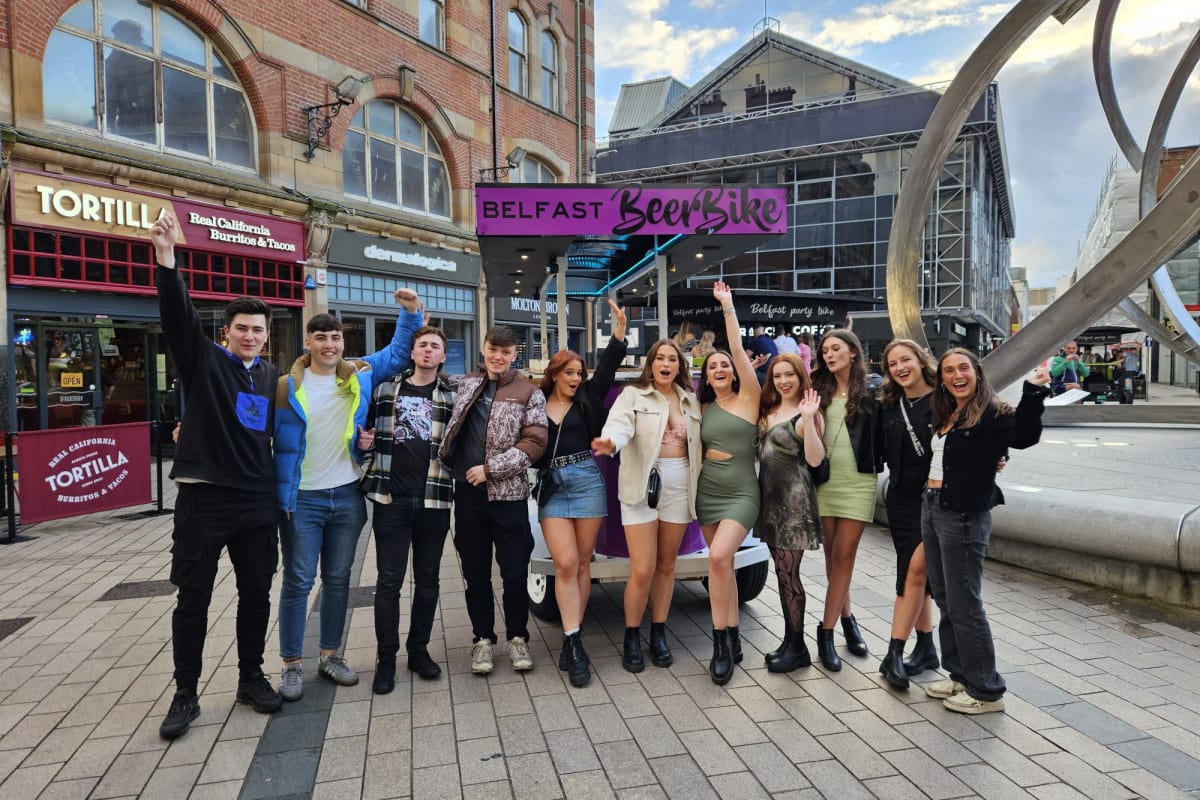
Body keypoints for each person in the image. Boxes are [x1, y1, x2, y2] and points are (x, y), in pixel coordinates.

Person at [151, 210, 282, 740]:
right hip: (204, 501)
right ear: (225, 332)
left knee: (257, 594)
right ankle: (186, 691)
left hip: (256, 502)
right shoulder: (203, 359)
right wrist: (167, 260)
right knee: (194, 597)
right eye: (242, 329)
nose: (250, 336)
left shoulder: (272, 375)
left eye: (258, 330)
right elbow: (178, 316)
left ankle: (250, 677)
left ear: (267, 338)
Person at [272, 292, 422, 701]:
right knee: (299, 582)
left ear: (342, 342)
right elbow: (247, 427)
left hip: (346, 495)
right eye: (321, 338)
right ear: (309, 343)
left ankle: (329, 655)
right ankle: (289, 664)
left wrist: (410, 313)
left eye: (335, 338)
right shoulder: (285, 387)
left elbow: (398, 352)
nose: (329, 345)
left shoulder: (358, 373)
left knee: (337, 581)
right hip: (302, 498)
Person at [924, 350, 1051, 714]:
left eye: (963, 368)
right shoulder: (948, 412)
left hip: (963, 513)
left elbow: (1024, 436)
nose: (956, 375)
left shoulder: (994, 412)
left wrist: (1032, 392)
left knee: (965, 602)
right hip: (932, 505)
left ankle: (986, 690)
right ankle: (961, 674)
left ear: (977, 373)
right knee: (946, 597)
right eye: (948, 370)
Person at [440, 326, 547, 675]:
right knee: (475, 574)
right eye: (492, 349)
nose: (498, 356)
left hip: (509, 496)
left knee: (514, 573)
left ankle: (518, 638)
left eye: (505, 351)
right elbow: (428, 375)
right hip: (468, 496)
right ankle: (482, 641)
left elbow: (534, 443)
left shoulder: (529, 392)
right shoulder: (467, 383)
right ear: (483, 349)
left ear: (514, 353)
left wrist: (491, 470)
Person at [592, 339, 701, 674]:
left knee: (667, 565)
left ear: (679, 366)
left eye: (672, 359)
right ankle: (630, 635)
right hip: (641, 485)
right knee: (642, 568)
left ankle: (658, 632)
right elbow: (619, 426)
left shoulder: (690, 400)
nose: (666, 363)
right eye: (660, 358)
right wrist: (611, 442)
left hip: (680, 484)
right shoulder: (632, 396)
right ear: (651, 364)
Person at [358, 325, 457, 692]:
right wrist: (363, 442)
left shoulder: (452, 395)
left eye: (435, 346)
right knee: (388, 583)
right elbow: (360, 430)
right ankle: (386, 661)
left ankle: (419, 651)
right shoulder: (385, 390)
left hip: (435, 499)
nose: (428, 351)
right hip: (391, 499)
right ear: (412, 353)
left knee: (428, 580)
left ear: (443, 356)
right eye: (422, 346)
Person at [536, 299, 627, 688]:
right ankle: (573, 637)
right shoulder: (535, 403)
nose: (576, 378)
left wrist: (619, 330)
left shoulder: (588, 398)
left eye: (579, 373)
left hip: (588, 479)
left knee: (584, 563)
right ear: (554, 374)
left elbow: (607, 368)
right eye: (569, 372)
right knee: (566, 563)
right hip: (553, 487)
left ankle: (573, 640)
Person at [693, 283, 762, 684]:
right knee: (724, 567)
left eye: (725, 365)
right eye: (712, 367)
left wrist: (728, 307)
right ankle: (734, 639)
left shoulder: (749, 396)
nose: (720, 369)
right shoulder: (702, 406)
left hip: (741, 493)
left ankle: (719, 642)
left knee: (718, 559)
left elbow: (736, 348)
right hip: (708, 493)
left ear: (735, 371)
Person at [810, 328, 881, 671]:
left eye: (835, 348)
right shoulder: (817, 389)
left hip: (858, 482)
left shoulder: (873, 390)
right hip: (824, 482)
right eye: (824, 350)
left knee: (843, 557)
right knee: (831, 560)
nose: (828, 354)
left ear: (853, 351)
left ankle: (825, 633)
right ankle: (848, 619)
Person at [877, 339, 940, 689]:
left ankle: (894, 653)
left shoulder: (943, 399)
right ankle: (927, 647)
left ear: (920, 361)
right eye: (893, 363)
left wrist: (996, 457)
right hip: (901, 498)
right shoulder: (889, 405)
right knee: (917, 574)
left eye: (906, 360)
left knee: (914, 570)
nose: (900, 367)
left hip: (935, 498)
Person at [756, 353, 824, 673]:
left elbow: (814, 459)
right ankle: (789, 640)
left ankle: (798, 647)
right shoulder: (768, 409)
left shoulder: (808, 411)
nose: (784, 381)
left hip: (794, 500)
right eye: (778, 375)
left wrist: (809, 419)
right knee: (782, 574)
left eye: (790, 375)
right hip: (769, 499)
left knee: (789, 573)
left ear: (801, 377)